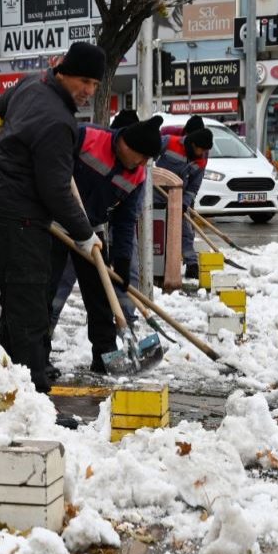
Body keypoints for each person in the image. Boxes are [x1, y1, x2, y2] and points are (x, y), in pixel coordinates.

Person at [0, 41, 104, 394]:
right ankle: (34, 395)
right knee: (31, 312)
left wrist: (11, 141)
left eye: (95, 84)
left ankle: (10, 388)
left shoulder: (31, 82)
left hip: (3, 213)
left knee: (17, 306)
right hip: (22, 220)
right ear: (64, 72)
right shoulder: (57, 122)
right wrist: (85, 233)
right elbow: (55, 191)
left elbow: (3, 107)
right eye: (84, 81)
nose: (88, 91)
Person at [46, 115, 162, 375]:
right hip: (57, 225)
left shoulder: (137, 175)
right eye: (141, 157)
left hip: (93, 232)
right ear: (126, 145)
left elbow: (125, 219)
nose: (142, 164)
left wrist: (121, 259)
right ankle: (39, 357)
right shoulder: (87, 137)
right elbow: (52, 158)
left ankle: (105, 355)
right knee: (47, 293)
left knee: (100, 297)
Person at [154, 127, 213, 279]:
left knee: (185, 231)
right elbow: (148, 157)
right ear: (193, 144)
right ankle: (153, 264)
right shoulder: (169, 142)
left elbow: (194, 187)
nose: (203, 154)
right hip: (156, 193)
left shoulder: (201, 159)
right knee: (154, 229)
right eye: (201, 149)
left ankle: (191, 264)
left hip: (178, 197)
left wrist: (185, 203)